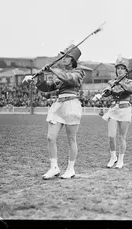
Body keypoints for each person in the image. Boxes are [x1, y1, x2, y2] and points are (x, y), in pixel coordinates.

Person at [23, 44, 85, 179]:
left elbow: (70, 79)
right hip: (58, 105)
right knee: (50, 137)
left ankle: (70, 169)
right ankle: (54, 167)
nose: (63, 59)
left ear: (73, 60)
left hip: (71, 105)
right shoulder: (59, 74)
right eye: (62, 56)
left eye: (66, 57)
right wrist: (38, 79)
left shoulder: (79, 72)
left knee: (71, 139)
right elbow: (48, 88)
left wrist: (52, 69)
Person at [99, 56, 132, 169]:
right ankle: (113, 156)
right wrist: (106, 91)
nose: (119, 70)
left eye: (122, 68)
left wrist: (120, 83)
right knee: (111, 136)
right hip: (113, 109)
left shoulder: (129, 82)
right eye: (118, 68)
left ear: (126, 71)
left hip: (124, 109)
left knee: (122, 137)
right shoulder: (112, 82)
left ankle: (121, 159)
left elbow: (130, 90)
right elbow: (106, 93)